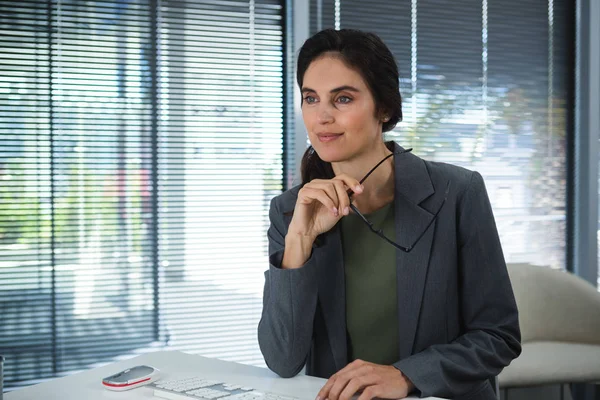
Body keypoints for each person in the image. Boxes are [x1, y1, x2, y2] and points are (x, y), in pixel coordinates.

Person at [257, 28, 521, 400]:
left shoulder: (457, 192)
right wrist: (299, 241)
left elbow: (499, 336)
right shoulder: (290, 211)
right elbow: (282, 360)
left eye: (343, 98)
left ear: (384, 107)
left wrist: (407, 376)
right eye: (311, 99)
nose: (322, 117)